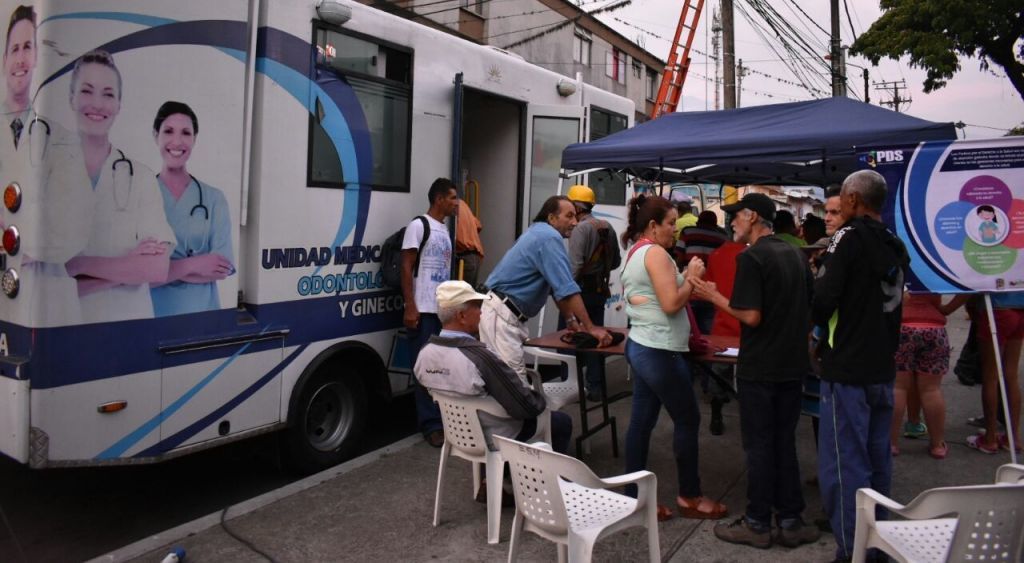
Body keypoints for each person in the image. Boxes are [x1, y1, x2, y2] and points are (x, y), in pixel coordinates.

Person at [691, 193, 819, 549]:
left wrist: (712, 295)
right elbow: (812, 308)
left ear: (751, 216)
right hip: (792, 365)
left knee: (760, 445)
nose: (731, 222)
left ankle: (758, 522)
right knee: (784, 442)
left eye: (735, 215)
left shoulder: (752, 257)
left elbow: (750, 315)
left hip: (760, 366)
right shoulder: (795, 254)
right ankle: (791, 520)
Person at [812, 169, 908, 562]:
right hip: (882, 367)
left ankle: (853, 551)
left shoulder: (846, 237)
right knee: (877, 460)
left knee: (845, 465)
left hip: (847, 369)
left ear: (852, 199)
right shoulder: (894, 242)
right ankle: (877, 544)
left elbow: (822, 301)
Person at [619, 193, 727, 522]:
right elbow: (670, 304)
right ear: (653, 225)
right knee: (688, 419)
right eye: (670, 223)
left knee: (641, 423)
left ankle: (635, 498)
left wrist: (685, 278)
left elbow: (659, 297)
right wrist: (691, 276)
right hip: (659, 350)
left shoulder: (638, 251)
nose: (675, 230)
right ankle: (690, 496)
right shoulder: (656, 253)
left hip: (644, 346)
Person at [63, 50, 175, 323]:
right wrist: (127, 270)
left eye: (108, 94)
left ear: (119, 105)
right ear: (71, 98)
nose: (97, 104)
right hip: (64, 327)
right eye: (87, 91)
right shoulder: (48, 172)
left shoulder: (141, 178)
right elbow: (41, 280)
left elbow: (156, 269)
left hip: (128, 330)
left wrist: (77, 264)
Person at [0, 5, 92, 326]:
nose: (21, 59)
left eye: (28, 47)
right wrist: (32, 224)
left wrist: (14, 236)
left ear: (39, 57)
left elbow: (72, 230)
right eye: (15, 49)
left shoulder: (63, 141)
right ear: (4, 60)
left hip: (50, 303)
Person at [414, 281, 572, 455]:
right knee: (561, 422)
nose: (481, 311)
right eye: (476, 306)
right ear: (462, 316)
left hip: (458, 436)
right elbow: (524, 406)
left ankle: (492, 469)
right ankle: (524, 470)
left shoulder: (424, 354)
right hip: (497, 436)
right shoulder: (480, 357)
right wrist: (542, 400)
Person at [480, 195, 612, 381]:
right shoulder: (549, 237)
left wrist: (570, 319)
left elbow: (556, 288)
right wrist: (591, 328)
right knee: (513, 385)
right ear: (551, 218)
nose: (575, 222)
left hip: (502, 313)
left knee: (505, 382)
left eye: (575, 216)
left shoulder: (539, 232)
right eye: (569, 216)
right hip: (502, 314)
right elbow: (567, 288)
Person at [149, 101, 234, 316]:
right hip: (151, 317)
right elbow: (135, 275)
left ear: (194, 139)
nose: (177, 141)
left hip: (202, 317)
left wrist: (163, 270)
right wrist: (195, 264)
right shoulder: (140, 195)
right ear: (155, 135)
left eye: (186, 133)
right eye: (168, 131)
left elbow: (221, 269)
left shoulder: (214, 199)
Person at [401, 177, 458, 447]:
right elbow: (406, 266)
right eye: (453, 198)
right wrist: (410, 306)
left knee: (441, 368)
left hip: (441, 312)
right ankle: (430, 426)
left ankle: (443, 420)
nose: (457, 203)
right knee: (425, 369)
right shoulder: (418, 226)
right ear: (439, 199)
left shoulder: (444, 229)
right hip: (422, 311)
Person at [890, 293, 962, 459]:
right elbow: (968, 288)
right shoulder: (937, 274)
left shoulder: (902, 274)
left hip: (902, 327)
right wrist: (947, 309)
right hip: (934, 329)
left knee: (898, 387)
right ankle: (937, 445)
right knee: (931, 389)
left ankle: (890, 444)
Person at [565, 184, 620, 399]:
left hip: (579, 291)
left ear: (577, 207)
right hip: (599, 290)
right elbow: (615, 262)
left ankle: (570, 386)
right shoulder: (607, 226)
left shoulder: (580, 229)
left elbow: (575, 266)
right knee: (597, 338)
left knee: (568, 338)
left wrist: (564, 291)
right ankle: (596, 387)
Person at [966, 291, 1024, 454]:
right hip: (1020, 307)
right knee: (1011, 375)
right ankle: (1012, 438)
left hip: (996, 308)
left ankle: (990, 438)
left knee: (990, 376)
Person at [453, 199, 484, 288]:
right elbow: (478, 225)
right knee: (468, 292)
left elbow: (456, 237)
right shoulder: (463, 204)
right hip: (474, 255)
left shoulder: (454, 206)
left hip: (465, 256)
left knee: (461, 294)